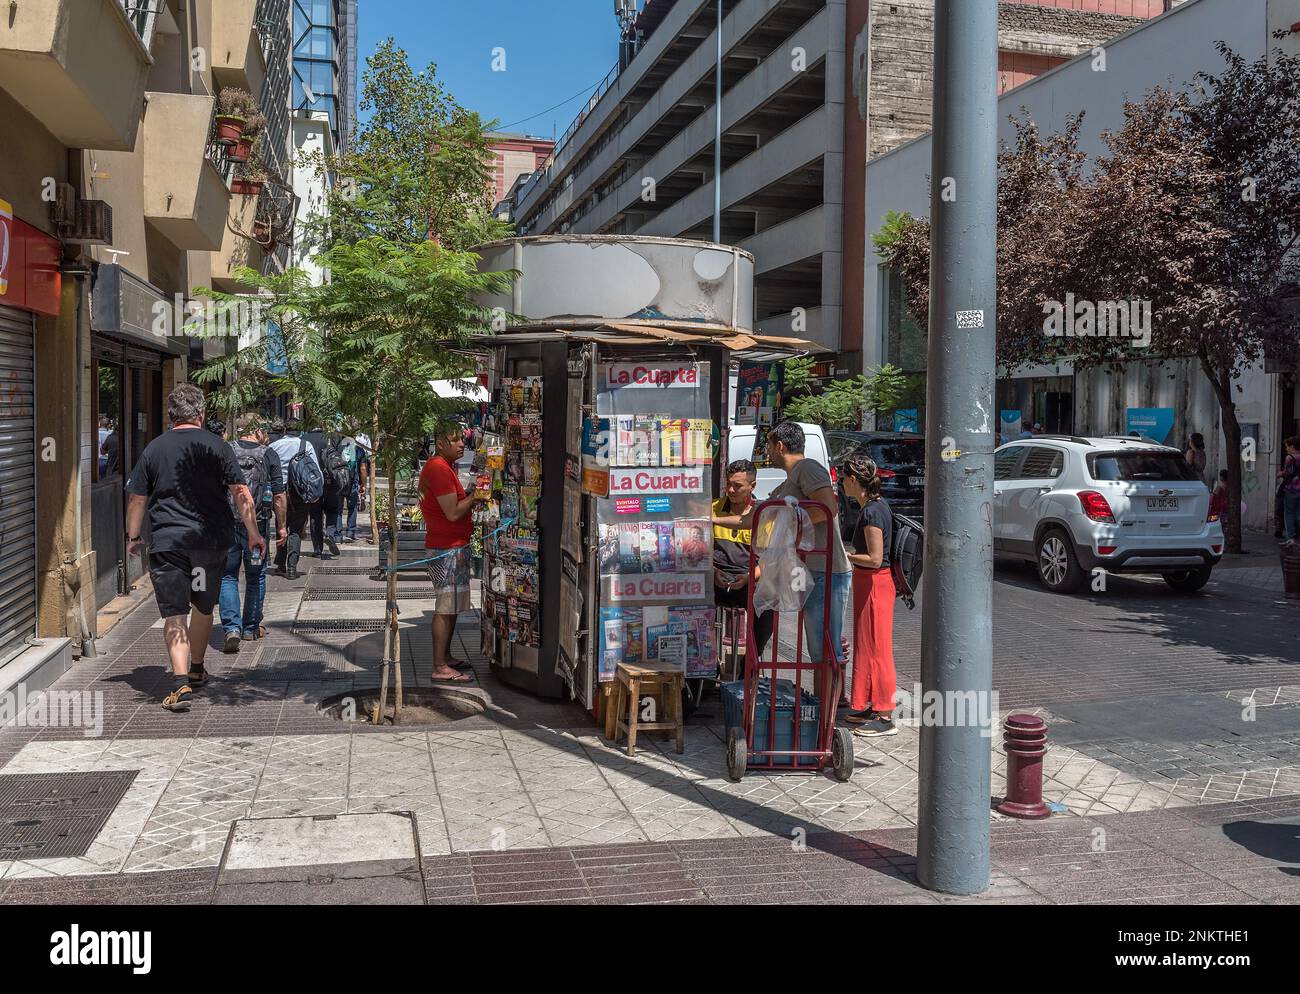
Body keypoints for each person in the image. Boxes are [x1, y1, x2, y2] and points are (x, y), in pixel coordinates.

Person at [125, 384, 265, 712]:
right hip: (209, 543)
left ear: (172, 414)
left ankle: (179, 684)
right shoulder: (218, 446)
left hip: (169, 544)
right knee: (203, 606)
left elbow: (137, 498)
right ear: (201, 413)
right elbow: (241, 492)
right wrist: (254, 533)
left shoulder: (154, 449)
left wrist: (133, 536)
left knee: (174, 612)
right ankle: (197, 668)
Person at [718, 421, 851, 675]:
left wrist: (793, 519)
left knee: (823, 649)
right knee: (818, 649)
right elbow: (752, 517)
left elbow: (828, 508)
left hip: (826, 570)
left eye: (768, 446)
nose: (767, 453)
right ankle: (826, 706)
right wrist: (709, 519)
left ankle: (830, 710)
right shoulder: (790, 480)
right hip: (811, 570)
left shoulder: (808, 468)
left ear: (779, 446)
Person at [418, 421, 482, 683]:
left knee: (453, 605)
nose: (461, 445)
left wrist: (467, 494)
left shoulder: (445, 467)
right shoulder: (438, 468)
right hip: (446, 548)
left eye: (461, 440)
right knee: (445, 606)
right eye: (455, 441)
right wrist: (476, 496)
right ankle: (439, 665)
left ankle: (446, 656)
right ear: (441, 443)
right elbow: (453, 512)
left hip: (452, 544)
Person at [219, 414, 288, 652]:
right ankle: (250, 628)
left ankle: (231, 628)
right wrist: (281, 525)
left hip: (227, 524)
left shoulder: (225, 450)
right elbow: (279, 495)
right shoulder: (268, 454)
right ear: (257, 430)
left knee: (227, 575)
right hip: (256, 526)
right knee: (255, 576)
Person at [840, 456, 898, 737]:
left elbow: (875, 558)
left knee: (878, 649)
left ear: (853, 480)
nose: (841, 484)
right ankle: (866, 703)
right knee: (866, 646)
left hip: (875, 582)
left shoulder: (872, 512)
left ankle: (885, 714)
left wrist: (848, 555)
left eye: (843, 478)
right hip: (870, 583)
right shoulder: (874, 507)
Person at [712, 460, 774, 659]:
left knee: (767, 607)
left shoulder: (762, 515)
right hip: (716, 578)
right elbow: (696, 550)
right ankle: (705, 675)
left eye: (737, 486)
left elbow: (769, 559)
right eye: (729, 484)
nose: (731, 490)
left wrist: (749, 577)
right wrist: (712, 571)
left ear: (752, 486)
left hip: (748, 579)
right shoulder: (713, 508)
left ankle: (749, 666)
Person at [269, 419, 322, 579]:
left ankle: (280, 564)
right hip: (300, 493)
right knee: (296, 530)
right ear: (300, 431)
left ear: (284, 429)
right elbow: (316, 471)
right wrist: (316, 494)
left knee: (281, 525)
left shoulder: (273, 446)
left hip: (279, 492)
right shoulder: (306, 446)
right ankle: (292, 567)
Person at [303, 421, 340, 560]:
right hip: (330, 481)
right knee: (332, 510)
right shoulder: (331, 438)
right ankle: (330, 533)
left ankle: (317, 548)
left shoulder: (304, 439)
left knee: (315, 515)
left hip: (312, 483)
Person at [1279, 436, 1300, 547]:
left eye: (1287, 446)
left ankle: (1290, 538)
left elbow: (1287, 472)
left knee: (1289, 513)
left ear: (1292, 446)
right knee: (1298, 513)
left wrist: (1280, 474)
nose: (1286, 449)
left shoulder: (1290, 458)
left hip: (1291, 489)